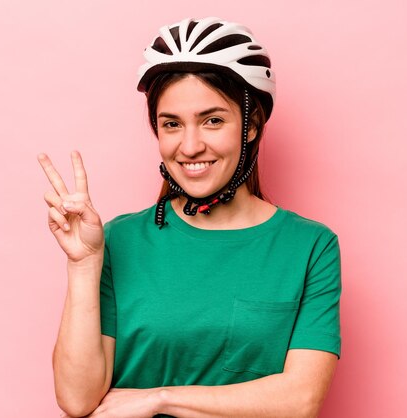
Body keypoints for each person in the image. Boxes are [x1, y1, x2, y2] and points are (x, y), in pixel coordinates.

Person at [38, 17, 342, 418]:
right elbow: (77, 399)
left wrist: (159, 398)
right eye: (172, 125)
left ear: (251, 127)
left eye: (213, 120)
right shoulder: (118, 239)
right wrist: (83, 265)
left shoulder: (310, 247)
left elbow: (299, 400)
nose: (191, 146)